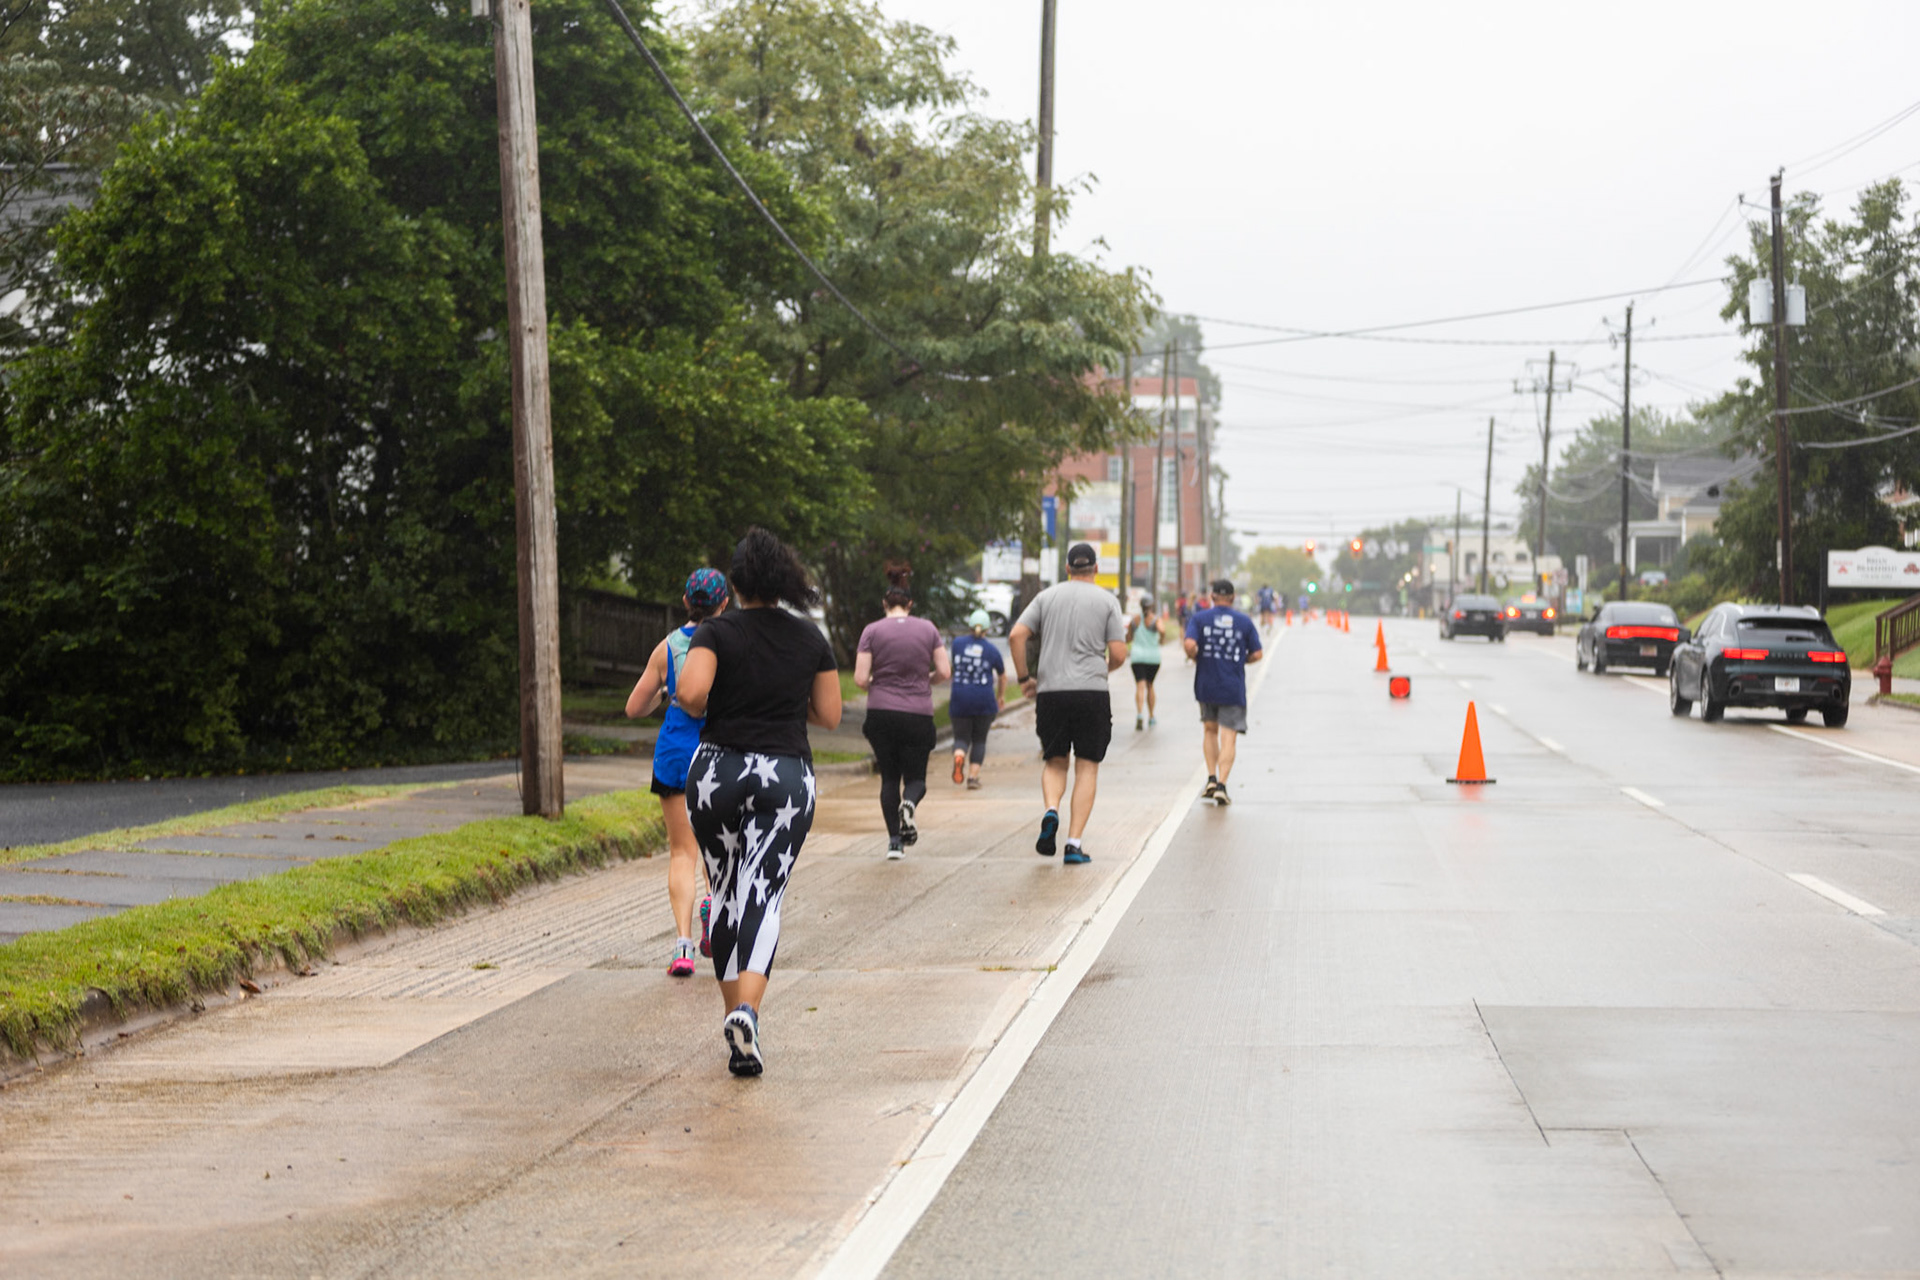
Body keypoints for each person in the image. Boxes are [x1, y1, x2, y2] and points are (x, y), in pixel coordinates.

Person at [674, 527, 841, 1077]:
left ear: (736, 583)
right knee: (762, 894)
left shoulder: (715, 631)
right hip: (784, 775)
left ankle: (737, 1022)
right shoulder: (810, 638)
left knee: (723, 891)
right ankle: (747, 1013)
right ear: (784, 580)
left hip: (717, 772)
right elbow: (830, 715)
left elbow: (691, 694)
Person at [625, 568, 728, 978]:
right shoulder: (729, 643)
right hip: (719, 752)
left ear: (686, 601)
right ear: (724, 603)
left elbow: (634, 708)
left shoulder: (666, 647)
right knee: (717, 847)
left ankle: (683, 946)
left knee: (682, 851)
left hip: (674, 753)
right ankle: (713, 910)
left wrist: (666, 696)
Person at [1008, 542, 1128, 865]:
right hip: (1091, 693)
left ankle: (1051, 809)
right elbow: (1119, 654)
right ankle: (1073, 844)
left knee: (1055, 761)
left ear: (1067, 569)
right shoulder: (1107, 601)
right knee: (1087, 765)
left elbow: (1016, 635)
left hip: (1052, 693)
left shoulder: (1045, 598)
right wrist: (1103, 668)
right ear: (1096, 569)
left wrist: (1024, 678)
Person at [854, 567, 950, 860]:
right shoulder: (928, 629)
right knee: (916, 779)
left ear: (884, 604)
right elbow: (944, 672)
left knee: (888, 778)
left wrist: (878, 683)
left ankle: (895, 843)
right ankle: (909, 803)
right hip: (917, 714)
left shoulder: (871, 631)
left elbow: (860, 679)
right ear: (910, 604)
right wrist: (926, 680)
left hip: (881, 713)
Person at [1183, 577, 1264, 806]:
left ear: (1212, 597)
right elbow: (1258, 653)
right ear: (1233, 598)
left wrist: (1195, 655)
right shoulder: (1244, 622)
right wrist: (1241, 660)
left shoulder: (1200, 619)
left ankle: (1210, 778)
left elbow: (1189, 645)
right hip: (1232, 687)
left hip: (1206, 684)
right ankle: (1222, 785)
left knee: (1210, 730)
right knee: (1229, 736)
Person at [948, 608, 1006, 790]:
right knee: (979, 740)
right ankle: (973, 778)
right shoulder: (992, 650)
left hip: (959, 698)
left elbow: (953, 666)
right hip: (984, 700)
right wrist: (1000, 696)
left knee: (961, 737)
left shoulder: (957, 644)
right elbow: (1003, 676)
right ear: (988, 629)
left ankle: (959, 755)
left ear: (970, 626)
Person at [1126, 597, 1171, 731]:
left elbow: (1128, 638)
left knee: (1140, 686)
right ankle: (1151, 716)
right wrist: (1161, 639)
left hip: (1137, 657)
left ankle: (1140, 714)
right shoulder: (1156, 620)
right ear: (1151, 606)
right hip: (1153, 658)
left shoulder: (1135, 620)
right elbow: (1162, 631)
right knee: (1150, 686)